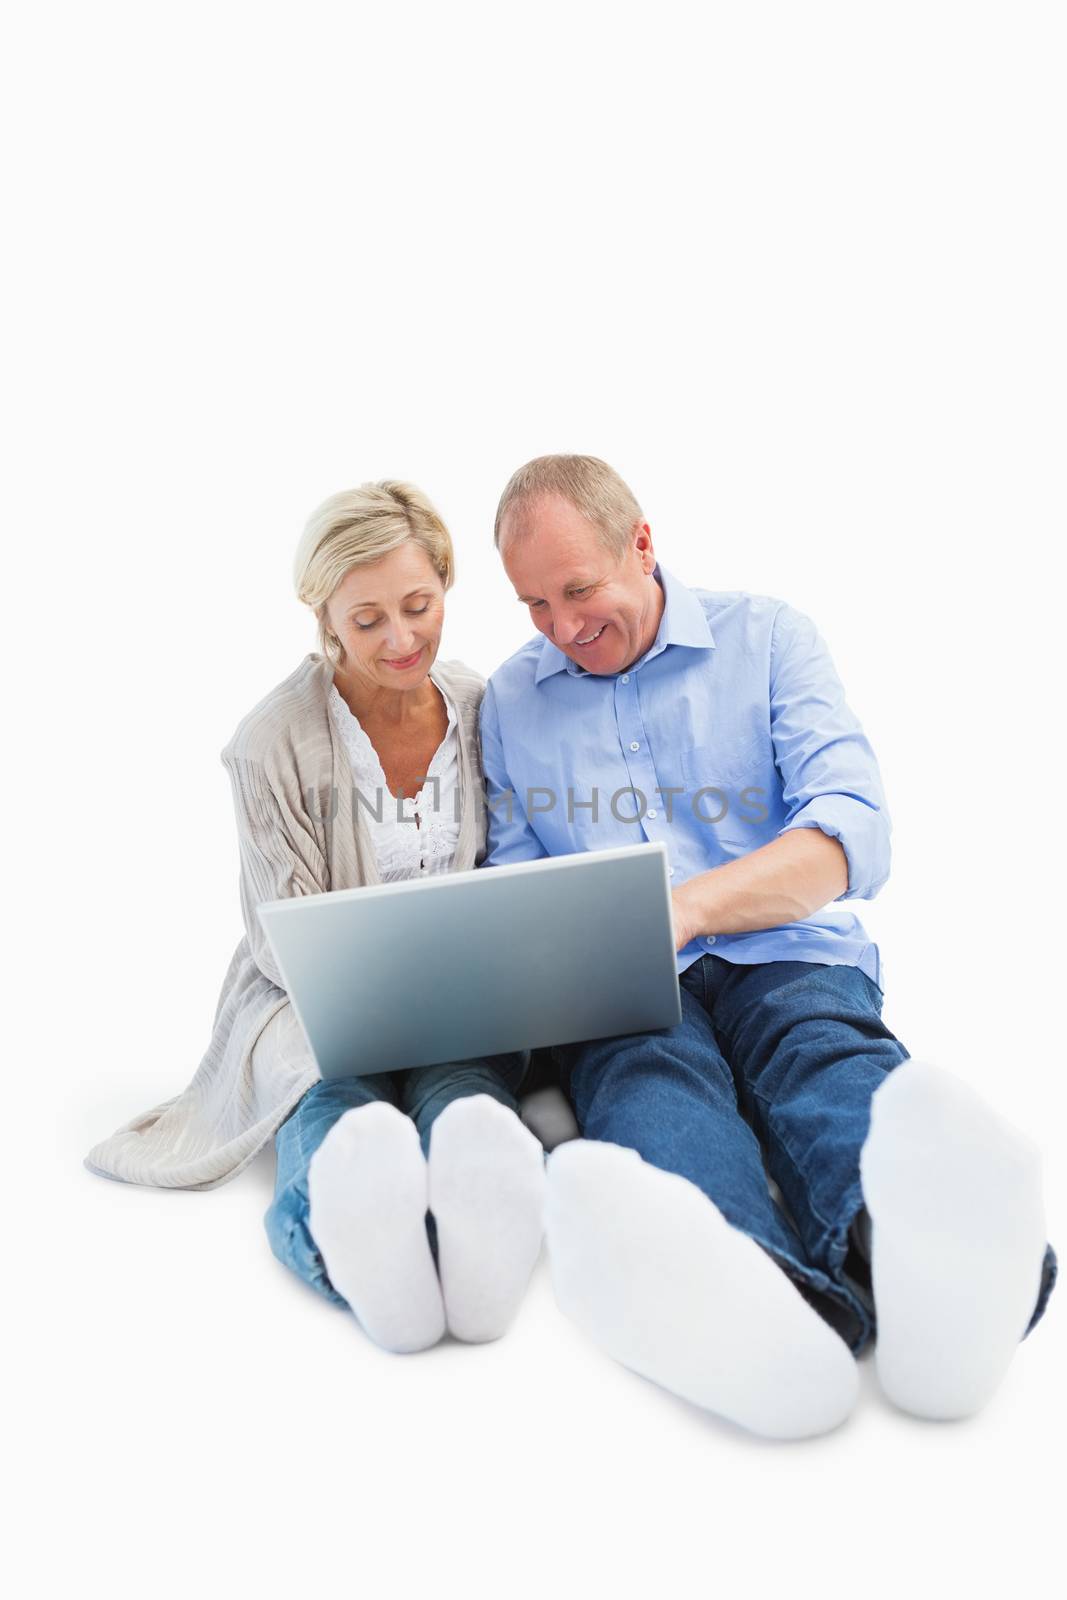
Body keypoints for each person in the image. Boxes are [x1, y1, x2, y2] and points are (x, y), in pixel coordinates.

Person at [480, 452, 1057, 1439]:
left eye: (577, 589)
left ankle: (930, 1283)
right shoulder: (510, 699)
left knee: (821, 1056)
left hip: (783, 949)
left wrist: (688, 906)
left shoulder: (768, 638)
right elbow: (515, 881)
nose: (561, 628)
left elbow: (849, 835)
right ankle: (766, 1308)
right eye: (532, 604)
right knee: (648, 1091)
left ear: (642, 544)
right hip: (622, 987)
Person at [85, 481, 545, 1355]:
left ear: (446, 586)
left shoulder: (483, 705)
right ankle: (347, 1230)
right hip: (314, 997)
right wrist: (379, 1008)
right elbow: (279, 933)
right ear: (323, 614)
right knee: (335, 1099)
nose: (400, 639)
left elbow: (507, 866)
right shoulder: (270, 740)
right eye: (366, 619)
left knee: (466, 1091)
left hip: (458, 987)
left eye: (418, 606)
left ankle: (475, 1216)